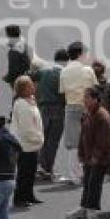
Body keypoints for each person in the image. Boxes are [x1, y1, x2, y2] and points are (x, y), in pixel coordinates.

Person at [67, 88, 110, 219]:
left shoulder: (102, 116)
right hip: (88, 155)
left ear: (95, 99)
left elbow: (103, 140)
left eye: (87, 97)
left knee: (94, 182)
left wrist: (96, 157)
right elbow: (83, 135)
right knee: (87, 181)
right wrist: (81, 153)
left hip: (100, 157)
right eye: (84, 97)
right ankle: (84, 207)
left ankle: (91, 210)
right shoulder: (88, 114)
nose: (84, 100)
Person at [59, 41, 96, 185]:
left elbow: (62, 91)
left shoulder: (64, 71)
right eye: (85, 53)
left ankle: (75, 176)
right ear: (80, 54)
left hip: (71, 107)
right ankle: (87, 173)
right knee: (89, 141)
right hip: (87, 108)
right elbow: (94, 88)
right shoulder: (88, 70)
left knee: (73, 143)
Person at [31, 49, 67, 180]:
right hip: (59, 108)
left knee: (41, 138)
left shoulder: (44, 71)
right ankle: (47, 168)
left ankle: (38, 166)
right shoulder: (64, 74)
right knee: (53, 141)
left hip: (43, 108)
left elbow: (30, 75)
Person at [9, 76, 43, 207]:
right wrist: (38, 138)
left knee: (31, 171)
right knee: (24, 172)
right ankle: (19, 198)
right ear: (22, 89)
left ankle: (29, 195)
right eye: (29, 86)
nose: (33, 87)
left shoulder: (30, 100)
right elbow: (26, 127)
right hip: (25, 143)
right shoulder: (21, 104)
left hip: (32, 144)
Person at [3, 25, 31, 90]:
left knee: (18, 97)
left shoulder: (14, 51)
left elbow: (13, 69)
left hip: (19, 80)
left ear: (9, 35)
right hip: (27, 76)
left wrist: (8, 78)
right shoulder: (23, 42)